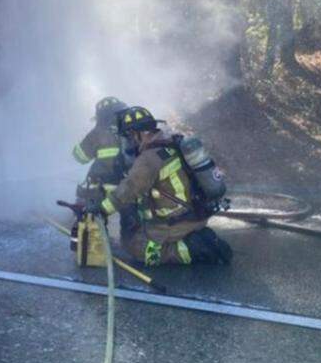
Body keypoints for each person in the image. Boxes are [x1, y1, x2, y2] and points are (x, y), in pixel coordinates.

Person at [87, 106, 232, 266]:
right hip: (195, 214)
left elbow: (129, 190)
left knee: (135, 247)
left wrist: (102, 209)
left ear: (138, 134)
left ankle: (191, 249)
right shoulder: (170, 143)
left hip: (178, 223)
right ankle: (197, 238)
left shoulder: (149, 158)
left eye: (128, 137)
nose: (128, 143)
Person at [71, 97, 138, 240]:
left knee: (91, 216)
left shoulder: (97, 132)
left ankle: (96, 244)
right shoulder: (133, 129)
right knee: (132, 223)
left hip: (101, 188)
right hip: (128, 187)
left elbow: (80, 157)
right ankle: (129, 243)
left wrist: (82, 141)